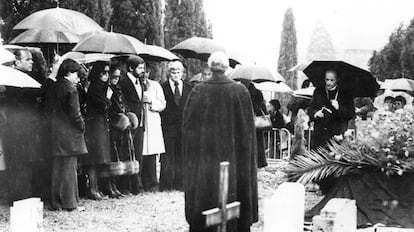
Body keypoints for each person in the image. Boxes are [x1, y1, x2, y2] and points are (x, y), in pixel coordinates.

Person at [182, 52, 258, 232]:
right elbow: (248, 133)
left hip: (206, 164)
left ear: (210, 66)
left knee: (206, 197)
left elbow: (188, 131)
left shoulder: (199, 91)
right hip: (235, 163)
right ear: (227, 67)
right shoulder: (240, 91)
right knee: (234, 195)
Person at [45, 59, 87, 211]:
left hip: (55, 133)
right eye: (76, 74)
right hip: (70, 135)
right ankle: (70, 203)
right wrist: (82, 126)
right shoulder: (71, 89)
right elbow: (75, 114)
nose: (77, 78)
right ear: (69, 73)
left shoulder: (54, 87)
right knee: (69, 170)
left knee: (57, 169)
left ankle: (56, 203)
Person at [4, 48, 44, 204]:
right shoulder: (13, 82)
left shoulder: (26, 78)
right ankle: (19, 196)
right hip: (17, 130)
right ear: (17, 62)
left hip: (25, 129)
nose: (31, 62)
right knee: (19, 163)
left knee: (26, 163)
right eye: (27, 59)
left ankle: (23, 195)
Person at [160, 60, 193, 191]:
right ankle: (166, 183)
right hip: (168, 127)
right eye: (173, 72)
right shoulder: (162, 87)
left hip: (184, 127)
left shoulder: (189, 87)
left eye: (178, 72)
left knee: (181, 154)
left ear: (182, 73)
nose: (175, 74)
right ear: (169, 73)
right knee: (167, 155)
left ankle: (180, 182)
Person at [84, 61, 112, 200]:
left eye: (108, 72)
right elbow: (103, 105)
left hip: (98, 125)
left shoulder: (99, 86)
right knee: (94, 158)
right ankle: (93, 189)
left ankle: (97, 188)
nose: (106, 75)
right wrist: (108, 98)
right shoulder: (96, 87)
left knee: (98, 158)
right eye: (103, 72)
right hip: (95, 126)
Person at [119, 55, 146, 194]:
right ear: (131, 68)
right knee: (127, 153)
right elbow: (123, 101)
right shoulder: (123, 82)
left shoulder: (141, 82)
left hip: (140, 124)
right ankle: (126, 186)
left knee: (138, 154)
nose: (142, 71)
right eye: (140, 68)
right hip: (130, 123)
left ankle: (137, 185)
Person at [308, 69, 355, 149]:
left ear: (337, 80)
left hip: (337, 136)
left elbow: (351, 113)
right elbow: (310, 109)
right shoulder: (318, 91)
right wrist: (316, 114)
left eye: (332, 80)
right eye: (327, 80)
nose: (329, 83)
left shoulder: (345, 94)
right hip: (320, 136)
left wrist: (339, 107)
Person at [141, 70, 166, 191]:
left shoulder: (155, 85)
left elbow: (162, 103)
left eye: (146, 72)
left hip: (152, 120)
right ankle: (141, 182)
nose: (144, 74)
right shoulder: (136, 84)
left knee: (152, 153)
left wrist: (151, 101)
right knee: (142, 151)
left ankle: (152, 182)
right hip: (142, 120)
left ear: (149, 73)